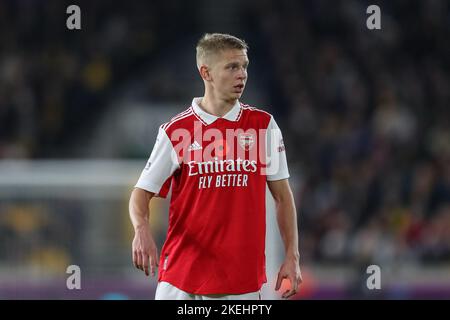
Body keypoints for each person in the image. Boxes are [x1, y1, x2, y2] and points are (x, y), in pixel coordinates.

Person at [129, 33, 302, 300]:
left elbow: (283, 196)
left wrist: (292, 255)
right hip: (180, 279)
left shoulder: (263, 126)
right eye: (232, 67)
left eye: (244, 66)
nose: (241, 74)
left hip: (239, 284)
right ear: (205, 72)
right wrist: (141, 231)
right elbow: (141, 193)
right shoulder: (176, 131)